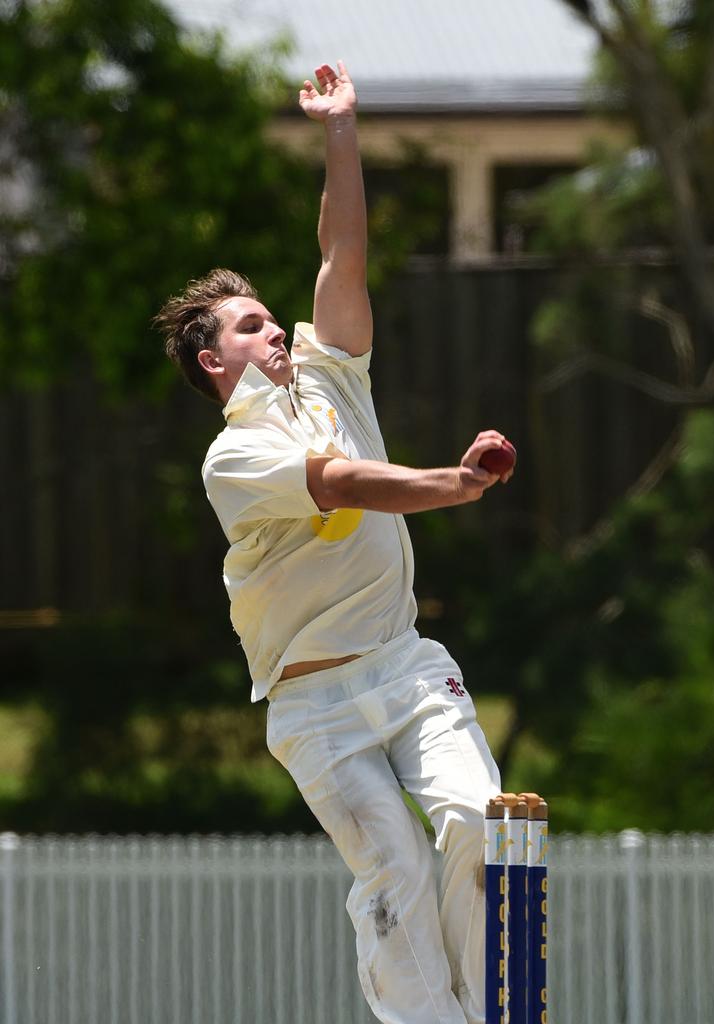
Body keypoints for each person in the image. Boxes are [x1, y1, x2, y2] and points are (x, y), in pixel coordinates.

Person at [156, 60, 533, 1024]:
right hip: (315, 706)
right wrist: (453, 484)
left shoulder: (331, 378)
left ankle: (489, 1011)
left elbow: (343, 259)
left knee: (475, 825)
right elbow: (343, 483)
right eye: (246, 324)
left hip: (406, 667)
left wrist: (341, 129)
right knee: (396, 869)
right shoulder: (233, 460)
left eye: (267, 311)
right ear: (214, 360)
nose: (272, 324)